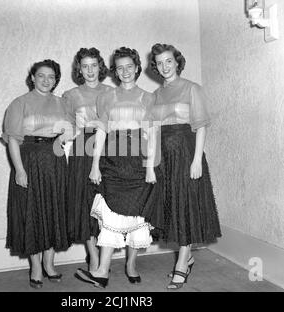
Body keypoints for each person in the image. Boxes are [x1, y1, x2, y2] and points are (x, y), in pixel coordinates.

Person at [75, 47, 164, 288]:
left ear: (137, 68)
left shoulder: (149, 97)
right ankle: (102, 270)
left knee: (137, 214)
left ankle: (131, 264)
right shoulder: (106, 97)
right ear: (114, 71)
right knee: (110, 212)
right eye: (119, 67)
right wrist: (95, 165)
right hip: (111, 161)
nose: (125, 71)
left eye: (129, 66)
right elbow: (102, 132)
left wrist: (150, 167)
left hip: (138, 160)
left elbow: (152, 134)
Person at [149, 43, 221, 290]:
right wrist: (153, 164)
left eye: (168, 61)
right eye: (159, 62)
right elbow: (154, 131)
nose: (164, 66)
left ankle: (181, 263)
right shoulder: (156, 95)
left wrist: (197, 160)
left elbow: (200, 126)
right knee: (174, 207)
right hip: (165, 159)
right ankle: (187, 256)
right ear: (155, 66)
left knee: (186, 206)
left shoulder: (192, 88)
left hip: (187, 154)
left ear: (177, 62)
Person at [2, 59, 71, 289]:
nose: (46, 80)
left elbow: (70, 129)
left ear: (56, 80)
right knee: (33, 211)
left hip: (55, 162)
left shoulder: (62, 103)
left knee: (53, 210)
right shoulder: (19, 103)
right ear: (32, 77)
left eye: (51, 77)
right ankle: (35, 267)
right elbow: (13, 139)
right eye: (41, 75)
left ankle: (50, 265)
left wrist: (60, 140)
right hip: (29, 162)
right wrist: (19, 170)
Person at [62, 47, 112, 271]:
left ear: (100, 67)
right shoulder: (71, 96)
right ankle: (93, 255)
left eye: (94, 65)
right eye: (85, 66)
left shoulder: (112, 92)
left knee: (107, 203)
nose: (90, 70)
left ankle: (105, 254)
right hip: (83, 150)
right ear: (79, 69)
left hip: (111, 149)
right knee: (85, 203)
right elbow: (67, 128)